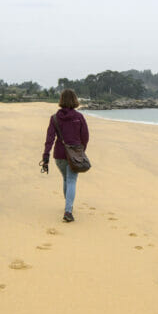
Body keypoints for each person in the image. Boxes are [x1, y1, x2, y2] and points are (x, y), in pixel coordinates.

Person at [41, 89, 90, 222]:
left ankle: (68, 206)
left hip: (59, 155)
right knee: (71, 180)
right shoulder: (79, 117)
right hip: (75, 154)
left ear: (61, 100)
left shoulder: (55, 118)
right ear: (75, 100)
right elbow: (85, 137)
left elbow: (49, 138)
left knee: (66, 179)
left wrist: (45, 155)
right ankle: (68, 211)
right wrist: (81, 151)